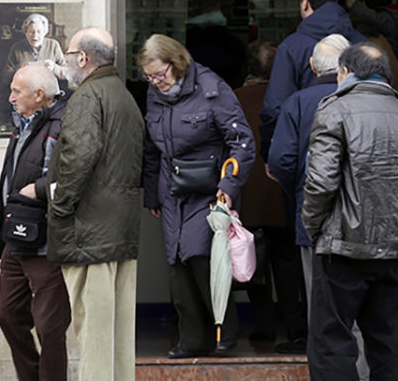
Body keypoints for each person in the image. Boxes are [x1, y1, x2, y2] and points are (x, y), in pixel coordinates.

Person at [302, 43, 398, 381]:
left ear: (344, 73)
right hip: (395, 251)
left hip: (342, 247)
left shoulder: (334, 110)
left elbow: (321, 183)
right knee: (386, 345)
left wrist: (314, 227)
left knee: (331, 342)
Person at [139, 34, 255, 358]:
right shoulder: (154, 93)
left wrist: (229, 187)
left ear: (175, 64)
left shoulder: (211, 88)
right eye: (149, 77)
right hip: (171, 189)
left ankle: (223, 332)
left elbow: (241, 142)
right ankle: (189, 339)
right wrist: (151, 194)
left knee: (203, 259)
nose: (155, 82)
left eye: (159, 74)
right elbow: (151, 148)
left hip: (209, 190)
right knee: (177, 262)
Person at [45, 27, 145, 381]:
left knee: (95, 338)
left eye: (69, 54)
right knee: (117, 339)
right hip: (118, 230)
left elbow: (78, 158)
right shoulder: (123, 94)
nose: (66, 61)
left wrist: (58, 208)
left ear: (83, 58)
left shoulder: (88, 97)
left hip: (90, 232)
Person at [267, 34, 351, 359]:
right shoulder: (364, 99)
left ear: (312, 65)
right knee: (356, 303)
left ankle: (329, 367)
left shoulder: (299, 101)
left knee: (320, 299)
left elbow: (281, 161)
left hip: (313, 215)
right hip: (366, 222)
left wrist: (298, 190)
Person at [0, 63, 71, 381]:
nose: (10, 97)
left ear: (39, 95)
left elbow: (69, 177)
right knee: (7, 314)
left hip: (47, 238)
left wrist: (36, 190)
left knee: (50, 327)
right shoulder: (22, 121)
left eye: (16, 91)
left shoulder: (63, 124)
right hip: (16, 234)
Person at [233, 40, 307, 352]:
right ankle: (295, 328)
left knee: (253, 263)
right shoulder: (290, 99)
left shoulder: (234, 99)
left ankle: (263, 328)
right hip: (282, 193)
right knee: (287, 263)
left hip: (247, 192)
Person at [259, 0, 366, 157]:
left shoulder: (291, 47)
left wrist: (270, 152)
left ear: (305, 2)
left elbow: (275, 109)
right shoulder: (365, 46)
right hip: (361, 152)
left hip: (308, 154)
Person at [2, 13, 68, 83]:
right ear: (26, 32)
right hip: (25, 90)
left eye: (39, 32)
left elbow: (66, 72)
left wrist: (54, 68)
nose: (35, 36)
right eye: (31, 32)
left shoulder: (53, 45)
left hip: (48, 90)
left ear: (44, 32)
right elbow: (6, 77)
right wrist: (19, 68)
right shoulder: (16, 48)